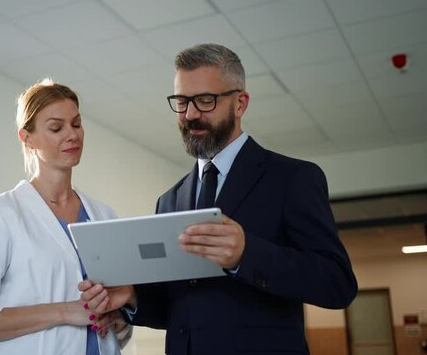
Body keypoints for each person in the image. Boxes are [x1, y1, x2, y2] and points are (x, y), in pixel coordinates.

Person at [79, 43, 358, 354]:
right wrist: (132, 297)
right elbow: (182, 310)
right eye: (182, 102)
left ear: (240, 103)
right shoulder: (170, 200)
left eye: (205, 101)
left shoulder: (292, 179)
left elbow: (337, 284)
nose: (191, 114)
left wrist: (246, 254)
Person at [0, 79, 131, 354]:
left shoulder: (104, 215)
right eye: (57, 127)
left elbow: (118, 320)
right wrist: (65, 312)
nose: (73, 135)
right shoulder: (0, 214)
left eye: (77, 124)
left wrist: (117, 319)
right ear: (27, 137)